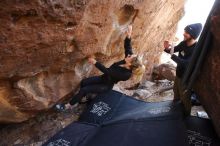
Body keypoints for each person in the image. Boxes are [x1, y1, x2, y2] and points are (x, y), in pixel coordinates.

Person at [61, 25, 143, 110]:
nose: (129, 54)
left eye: (130, 56)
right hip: (103, 78)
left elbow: (107, 71)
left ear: (130, 64)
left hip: (106, 85)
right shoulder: (128, 60)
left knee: (84, 89)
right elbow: (128, 47)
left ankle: (68, 106)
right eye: (130, 55)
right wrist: (129, 34)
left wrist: (95, 62)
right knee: (84, 82)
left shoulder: (125, 74)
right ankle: (82, 98)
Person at [164, 23, 202, 115]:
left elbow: (186, 64)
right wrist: (167, 48)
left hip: (186, 78)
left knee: (185, 98)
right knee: (176, 93)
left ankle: (186, 116)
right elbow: (174, 50)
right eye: (184, 31)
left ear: (193, 35)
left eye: (187, 32)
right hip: (178, 75)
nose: (184, 34)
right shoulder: (183, 43)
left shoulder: (196, 49)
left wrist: (173, 56)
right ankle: (174, 112)